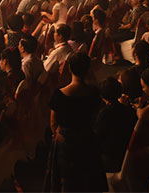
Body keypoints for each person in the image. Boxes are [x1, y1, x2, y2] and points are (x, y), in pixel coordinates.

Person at [44, 52, 107, 192]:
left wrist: (57, 135)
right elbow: (97, 116)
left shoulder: (59, 94)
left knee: (67, 181)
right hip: (87, 140)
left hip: (65, 142)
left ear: (69, 68)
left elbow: (53, 122)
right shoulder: (94, 93)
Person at [95, 77, 137, 173]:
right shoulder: (128, 111)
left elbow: (97, 137)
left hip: (110, 159)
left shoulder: (105, 114)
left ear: (102, 96)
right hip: (125, 156)